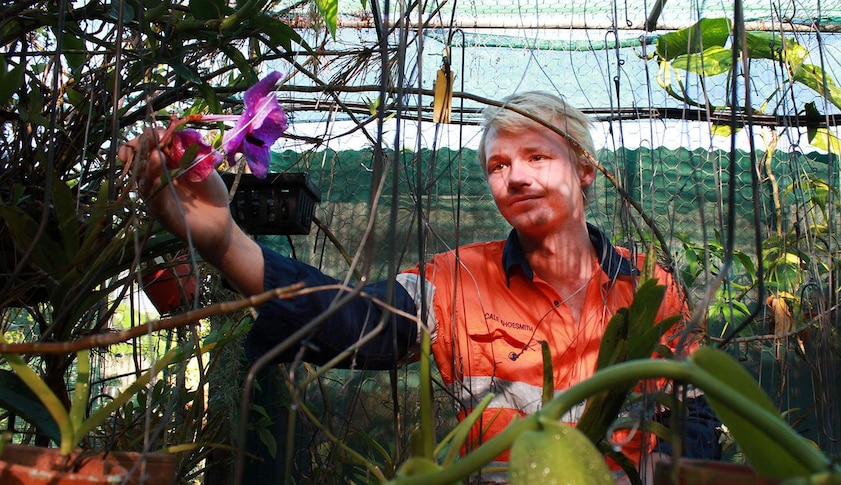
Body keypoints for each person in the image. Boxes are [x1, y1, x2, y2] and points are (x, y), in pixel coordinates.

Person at [125, 91, 720, 483]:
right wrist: (224, 240)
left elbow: (694, 423)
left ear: (585, 171)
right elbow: (353, 319)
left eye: (538, 156)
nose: (516, 177)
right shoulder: (456, 279)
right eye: (497, 165)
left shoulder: (651, 290)